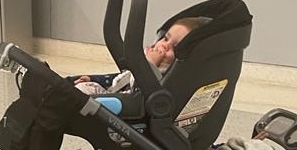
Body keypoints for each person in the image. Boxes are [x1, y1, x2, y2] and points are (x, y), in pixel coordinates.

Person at [74, 17, 210, 95]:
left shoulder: (171, 77)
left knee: (80, 94)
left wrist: (148, 65)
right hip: (118, 94)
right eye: (165, 39)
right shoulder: (149, 59)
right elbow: (123, 78)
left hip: (128, 110)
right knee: (76, 87)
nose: (164, 46)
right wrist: (95, 79)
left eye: (174, 48)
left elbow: (141, 95)